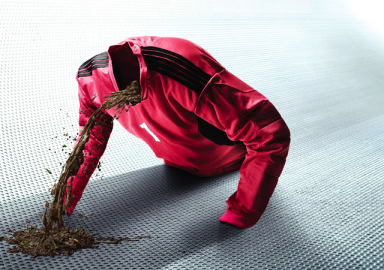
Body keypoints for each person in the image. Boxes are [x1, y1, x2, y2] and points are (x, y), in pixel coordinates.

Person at [64, 36, 291, 229]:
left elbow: (269, 132)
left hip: (225, 164)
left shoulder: (181, 66)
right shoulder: (89, 79)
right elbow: (91, 138)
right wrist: (66, 194)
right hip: (176, 164)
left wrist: (242, 212)